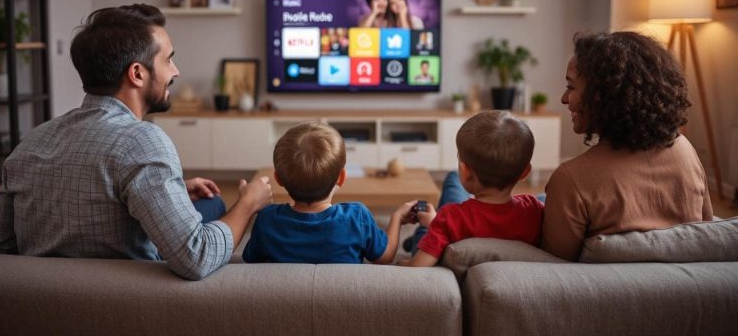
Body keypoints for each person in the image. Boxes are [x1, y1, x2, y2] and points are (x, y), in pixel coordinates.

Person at [0, 4, 273, 280]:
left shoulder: (32, 140)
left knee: (209, 203)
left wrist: (171, 190)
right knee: (220, 205)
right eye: (168, 60)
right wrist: (248, 204)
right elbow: (196, 258)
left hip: (37, 301)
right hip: (126, 301)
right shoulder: (142, 141)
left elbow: (5, 245)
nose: (175, 71)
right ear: (137, 73)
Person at [541, 31, 712, 260]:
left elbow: (552, 268)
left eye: (571, 87)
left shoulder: (571, 180)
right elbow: (707, 232)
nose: (564, 98)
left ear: (601, 95)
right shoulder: (685, 151)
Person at [243, 121, 413, 264]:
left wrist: (246, 207)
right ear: (342, 178)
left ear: (278, 179)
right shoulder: (357, 217)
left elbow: (251, 261)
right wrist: (397, 218)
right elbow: (386, 256)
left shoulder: (267, 220)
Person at [398, 111, 543, 267]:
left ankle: (419, 235)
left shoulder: (449, 217)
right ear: (525, 173)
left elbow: (417, 267)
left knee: (429, 221)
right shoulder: (535, 210)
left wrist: (401, 263)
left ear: (465, 171)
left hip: (436, 244)